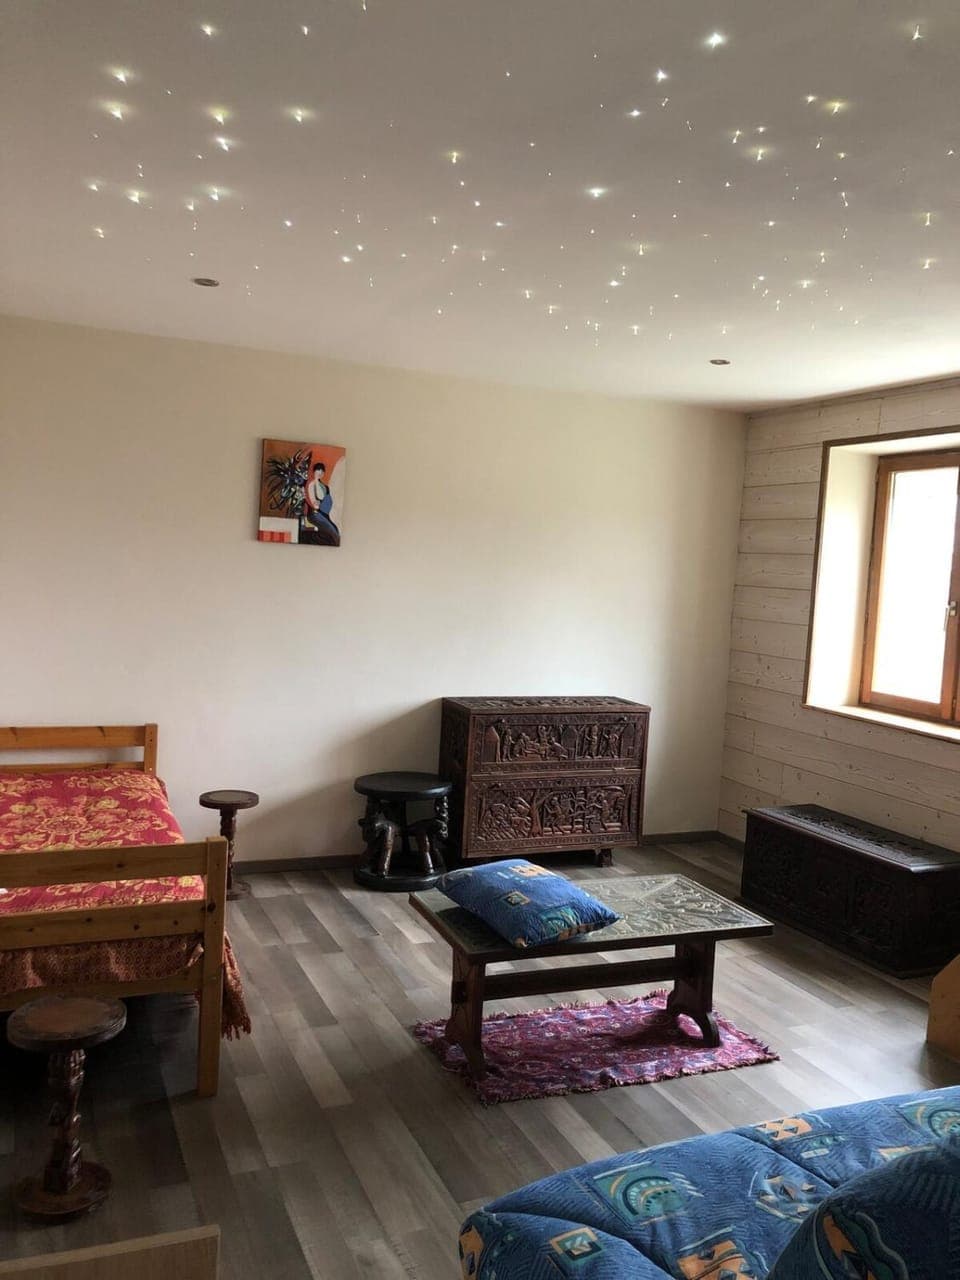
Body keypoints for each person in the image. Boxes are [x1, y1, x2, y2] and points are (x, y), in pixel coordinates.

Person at [303, 461, 340, 541]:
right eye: (318, 470)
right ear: (314, 472)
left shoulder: (325, 487)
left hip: (325, 515)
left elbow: (328, 501)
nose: (320, 472)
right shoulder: (311, 485)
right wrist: (318, 503)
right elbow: (314, 503)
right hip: (315, 514)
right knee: (334, 533)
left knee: (335, 530)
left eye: (322, 471)